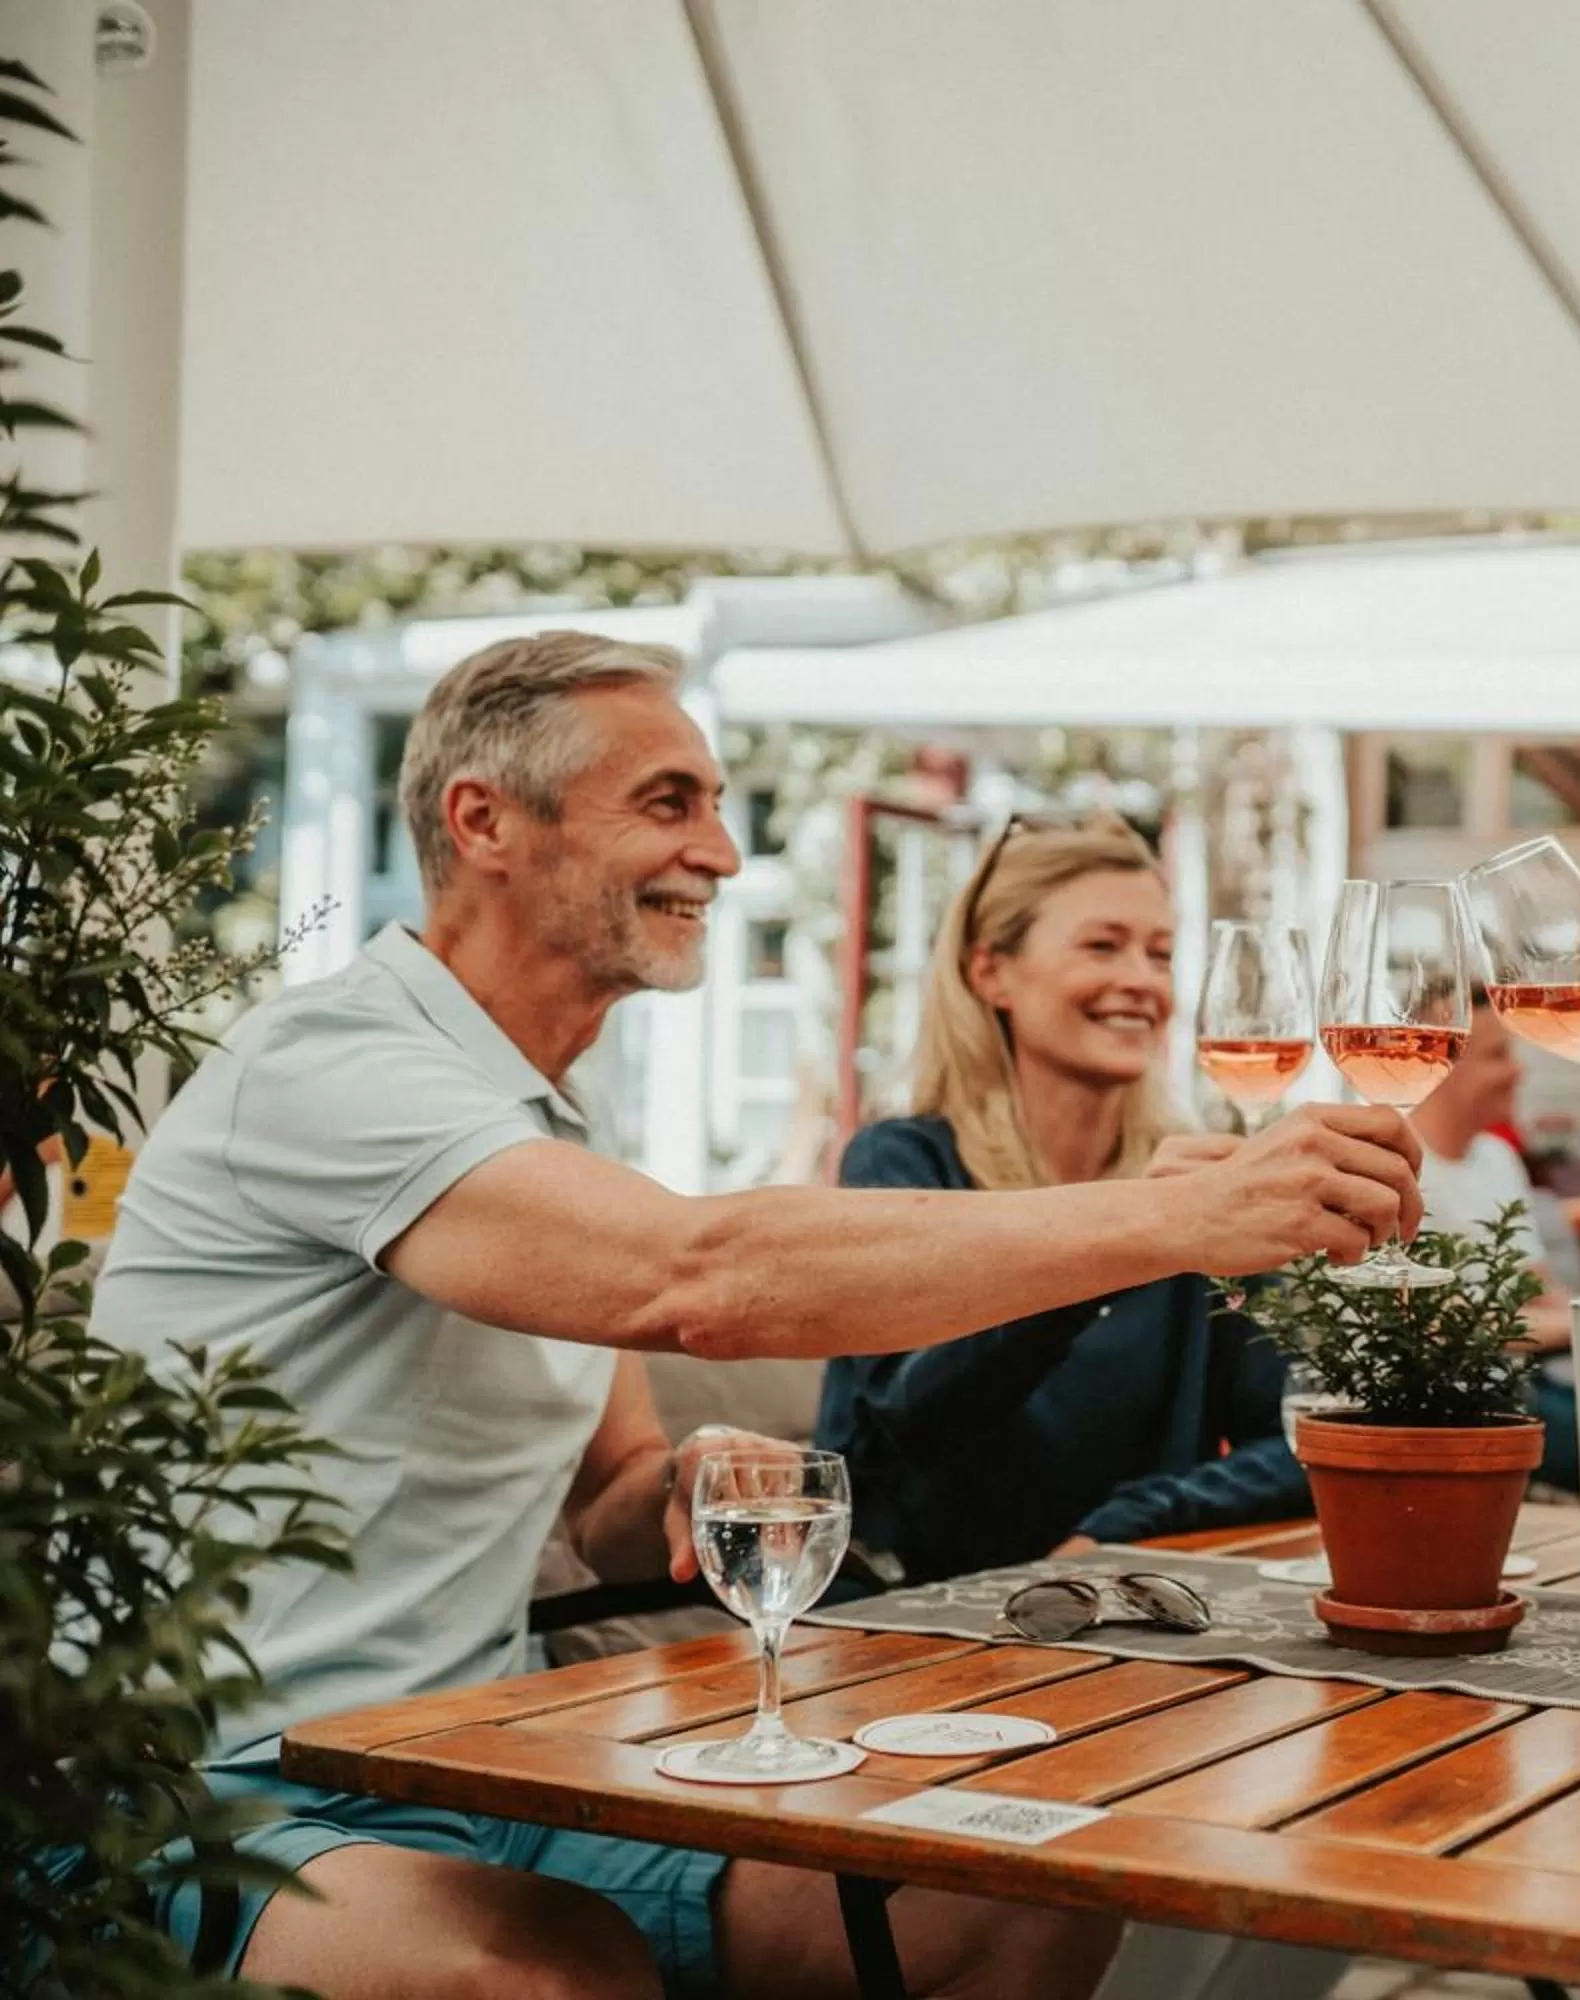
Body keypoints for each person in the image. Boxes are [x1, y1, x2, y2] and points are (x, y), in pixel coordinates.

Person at [90, 633, 1424, 1999]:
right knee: (547, 1977)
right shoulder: (337, 1062)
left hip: (479, 1758)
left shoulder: (546, 1116)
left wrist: (682, 1473)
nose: (723, 853)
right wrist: (1176, 1215)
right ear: (482, 820)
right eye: (668, 802)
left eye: (718, 806)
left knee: (1019, 1894)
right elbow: (695, 1274)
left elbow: (612, 1498)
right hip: (221, 1782)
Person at [819, 818, 1314, 1576]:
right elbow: (911, 1415)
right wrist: (1119, 1244)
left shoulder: (1193, 1188)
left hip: (1123, 1599)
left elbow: (1295, 1442)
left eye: (1160, 954)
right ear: (992, 973)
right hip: (915, 1606)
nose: (1143, 980)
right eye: (1102, 946)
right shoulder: (904, 1162)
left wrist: (1133, 1521)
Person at [1405, 1003, 1580, 1489]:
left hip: (1519, 1384)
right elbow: (1440, 1327)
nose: (1517, 1071)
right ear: (1439, 1065)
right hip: (1442, 1403)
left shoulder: (1497, 1158)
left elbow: (1537, 1288)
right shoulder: (1400, 1166)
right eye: (1497, 1055)